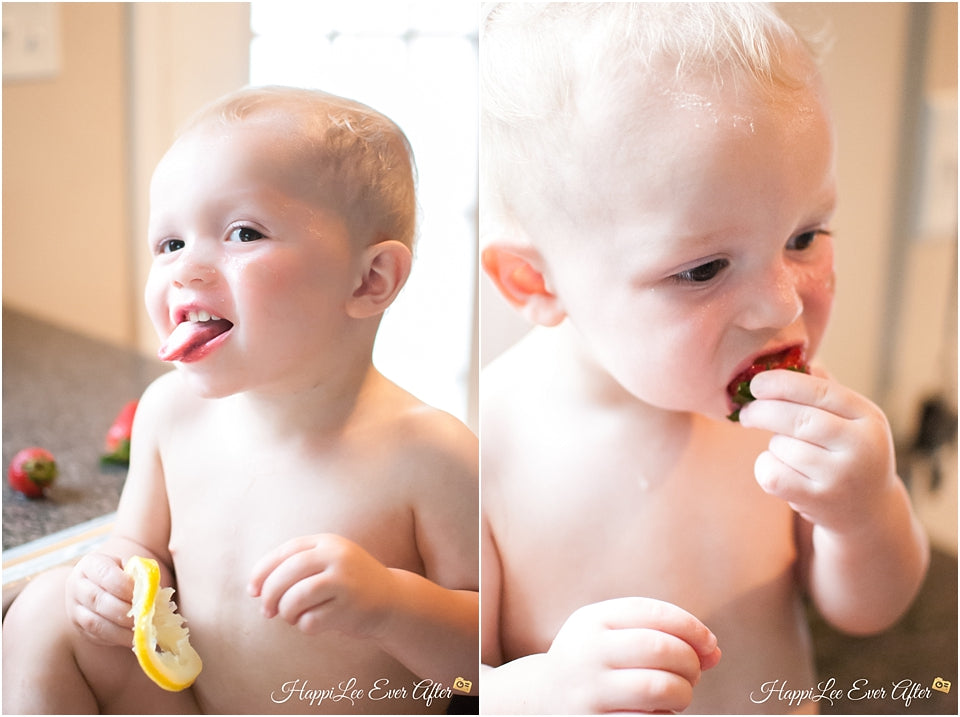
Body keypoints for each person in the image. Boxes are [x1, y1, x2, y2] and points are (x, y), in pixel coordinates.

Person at [478, 4, 928, 714]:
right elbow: (441, 679)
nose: (782, 305)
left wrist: (865, 513)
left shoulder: (789, 413)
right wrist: (528, 693)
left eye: (805, 236)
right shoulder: (483, 445)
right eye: (704, 269)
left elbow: (867, 611)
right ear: (535, 282)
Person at [3, 86, 479, 715]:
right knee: (46, 607)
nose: (185, 268)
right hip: (194, 700)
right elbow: (138, 549)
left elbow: (490, 670)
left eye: (243, 232)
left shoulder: (429, 455)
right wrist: (109, 578)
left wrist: (391, 607)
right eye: (169, 244)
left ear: (370, 280)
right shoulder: (169, 414)